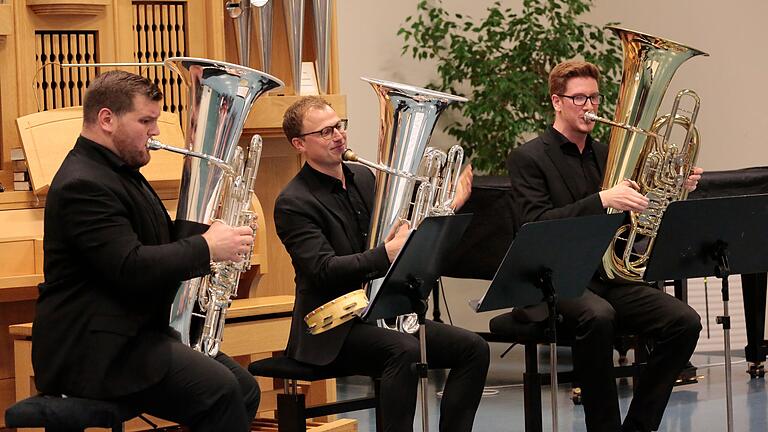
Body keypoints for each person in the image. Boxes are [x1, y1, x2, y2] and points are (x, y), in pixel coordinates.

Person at [31, 70, 260, 431]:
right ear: (107, 119)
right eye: (146, 121)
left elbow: (157, 239)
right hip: (95, 350)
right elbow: (130, 265)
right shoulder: (83, 183)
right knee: (220, 391)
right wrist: (207, 246)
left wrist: (212, 233)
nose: (155, 132)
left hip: (132, 336)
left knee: (244, 388)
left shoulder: (117, 171)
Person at [505, 60, 703, 432]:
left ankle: (639, 426)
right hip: (556, 281)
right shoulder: (529, 158)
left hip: (608, 276)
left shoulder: (610, 153)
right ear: (557, 101)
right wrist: (601, 200)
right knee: (598, 316)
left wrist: (676, 188)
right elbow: (536, 224)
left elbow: (641, 219)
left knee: (684, 321)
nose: (589, 106)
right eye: (578, 98)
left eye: (594, 97)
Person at [275, 96, 489, 432]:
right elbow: (323, 270)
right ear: (299, 144)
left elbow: (399, 234)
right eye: (325, 131)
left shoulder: (364, 177)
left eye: (339, 126)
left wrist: (446, 206)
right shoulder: (293, 202)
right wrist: (386, 254)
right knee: (402, 350)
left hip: (381, 314)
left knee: (472, 348)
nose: (338, 136)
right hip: (331, 327)